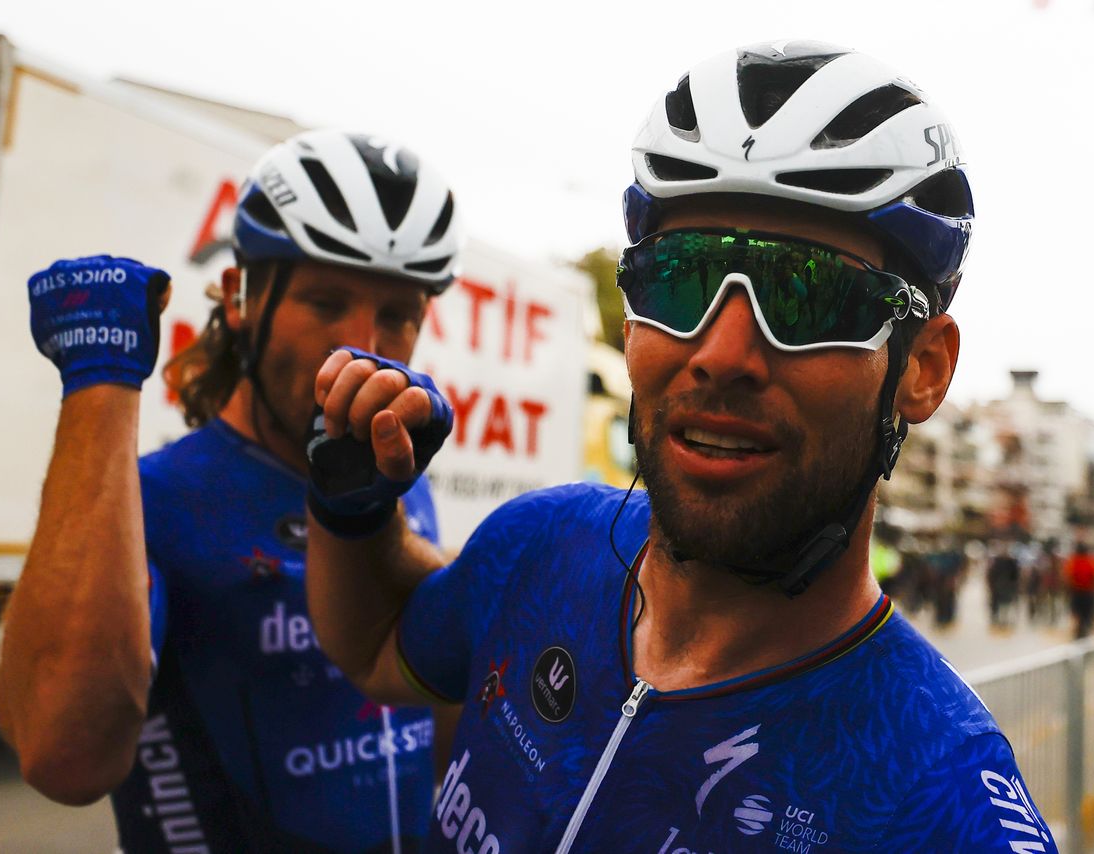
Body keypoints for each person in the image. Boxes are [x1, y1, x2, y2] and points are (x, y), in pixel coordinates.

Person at [305, 41, 1056, 851]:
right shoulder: (542, 545)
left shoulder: (940, 803)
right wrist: (355, 505)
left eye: (809, 296)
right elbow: (378, 649)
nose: (723, 355)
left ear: (924, 368)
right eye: (680, 281)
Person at [0, 130, 462, 852]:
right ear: (242, 296)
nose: (361, 346)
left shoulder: (393, 480)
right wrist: (100, 385)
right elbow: (65, 756)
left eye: (398, 316)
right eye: (327, 301)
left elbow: (444, 711)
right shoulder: (156, 499)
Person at [1064, 541, 1094, 639]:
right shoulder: (1092, 561)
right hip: (1088, 592)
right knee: (1088, 614)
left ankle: (1079, 630)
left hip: (1076, 592)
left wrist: (1067, 590)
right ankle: (1085, 630)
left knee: (1077, 613)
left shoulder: (1072, 561)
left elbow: (1068, 577)